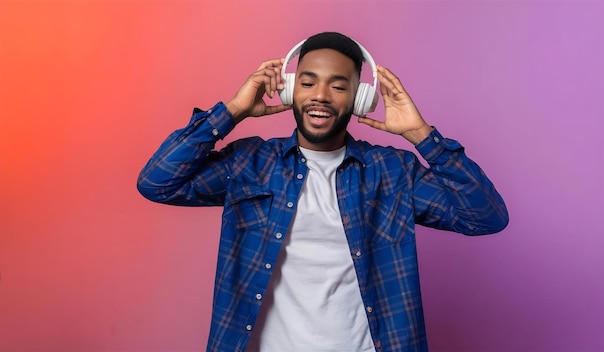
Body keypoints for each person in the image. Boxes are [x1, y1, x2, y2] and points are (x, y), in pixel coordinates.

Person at [137, 32, 508, 352]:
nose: (321, 96)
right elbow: (157, 182)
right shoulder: (250, 162)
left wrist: (421, 136)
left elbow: (486, 216)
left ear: (360, 98)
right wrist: (232, 111)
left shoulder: (392, 172)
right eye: (309, 82)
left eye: (339, 85)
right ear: (288, 88)